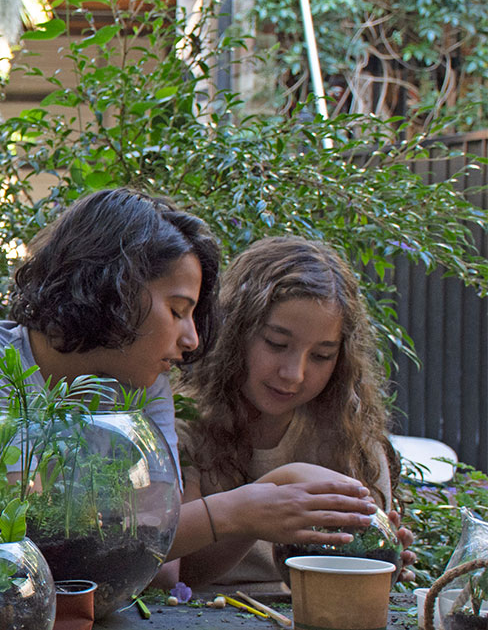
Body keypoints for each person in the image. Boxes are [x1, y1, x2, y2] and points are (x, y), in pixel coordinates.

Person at [0, 190, 378, 565]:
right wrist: (243, 508)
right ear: (116, 291)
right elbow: (14, 550)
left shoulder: (142, 386)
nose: (193, 339)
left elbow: (157, 565)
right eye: (177, 310)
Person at [175, 236, 413, 593]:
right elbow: (180, 571)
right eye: (276, 344)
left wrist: (383, 563)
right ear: (234, 332)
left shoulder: (351, 440)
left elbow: (351, 578)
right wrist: (258, 507)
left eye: (321, 356)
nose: (294, 374)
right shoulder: (185, 427)